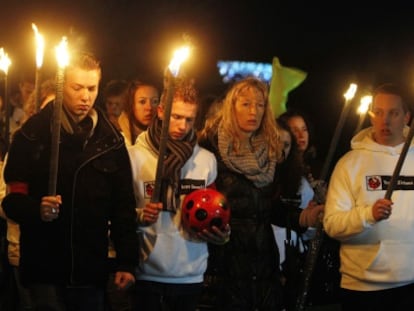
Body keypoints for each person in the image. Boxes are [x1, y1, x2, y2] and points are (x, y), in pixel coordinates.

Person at [1, 51, 139, 311]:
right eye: (77, 88)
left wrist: (126, 262)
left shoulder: (110, 141)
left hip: (90, 269)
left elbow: (122, 207)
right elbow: (12, 200)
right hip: (45, 267)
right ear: (62, 86)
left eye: (92, 88)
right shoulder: (32, 135)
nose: (85, 96)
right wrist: (36, 209)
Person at [197, 77, 323, 310]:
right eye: (245, 104)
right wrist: (213, 232)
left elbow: (269, 208)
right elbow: (199, 206)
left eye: (260, 105)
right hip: (223, 267)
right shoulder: (209, 147)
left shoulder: (270, 150)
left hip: (264, 267)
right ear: (231, 106)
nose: (253, 111)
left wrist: (302, 218)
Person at [127, 74, 230, 311]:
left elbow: (216, 211)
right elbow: (118, 213)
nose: (182, 126)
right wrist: (140, 215)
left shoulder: (206, 160)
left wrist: (222, 233)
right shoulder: (134, 157)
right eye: (176, 117)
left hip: (190, 275)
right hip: (146, 273)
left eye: (190, 120)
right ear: (161, 111)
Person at [323, 83, 414, 311]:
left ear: (406, 117)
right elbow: (332, 224)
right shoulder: (349, 164)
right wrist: (368, 215)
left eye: (393, 113)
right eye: (379, 112)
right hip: (363, 289)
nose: (386, 121)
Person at [118, 80, 159, 146]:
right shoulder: (119, 140)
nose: (149, 108)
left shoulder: (165, 137)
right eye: (142, 102)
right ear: (131, 104)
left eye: (154, 101)